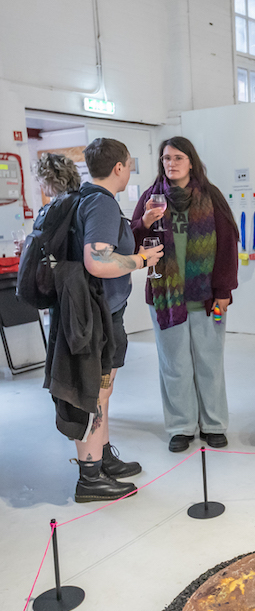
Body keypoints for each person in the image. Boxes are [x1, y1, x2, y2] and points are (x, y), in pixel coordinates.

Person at [57, 139, 163, 502]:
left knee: (103, 390)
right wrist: (142, 261)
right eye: (130, 165)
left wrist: (141, 225)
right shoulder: (101, 203)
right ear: (119, 167)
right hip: (95, 315)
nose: (130, 171)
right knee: (94, 393)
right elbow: (98, 260)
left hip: (99, 312)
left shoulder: (88, 198)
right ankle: (90, 479)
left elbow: (107, 245)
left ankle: (100, 460)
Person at [132, 137, 239, 453]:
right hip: (165, 299)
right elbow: (130, 239)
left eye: (178, 157)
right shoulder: (151, 199)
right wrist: (144, 222)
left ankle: (214, 424)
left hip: (208, 299)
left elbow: (227, 246)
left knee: (210, 361)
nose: (171, 163)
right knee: (173, 364)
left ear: (191, 161)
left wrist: (223, 291)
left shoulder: (211, 197)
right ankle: (180, 426)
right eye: (166, 158)